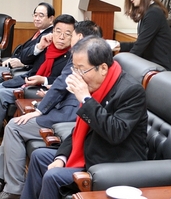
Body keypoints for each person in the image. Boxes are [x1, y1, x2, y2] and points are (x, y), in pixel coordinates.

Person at [20, 36, 148, 199]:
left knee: (54, 177)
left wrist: (86, 100)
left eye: (82, 70)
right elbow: (79, 130)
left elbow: (115, 133)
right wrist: (62, 157)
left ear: (102, 68)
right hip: (90, 150)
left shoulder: (131, 91)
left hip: (111, 164)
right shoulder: (98, 83)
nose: (77, 76)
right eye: (75, 69)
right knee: (39, 157)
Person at [0, 20, 102, 199]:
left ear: (84, 39)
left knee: (14, 127)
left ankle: (14, 189)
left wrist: (40, 110)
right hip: (63, 108)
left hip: (68, 115)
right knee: (15, 127)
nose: (69, 42)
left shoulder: (85, 58)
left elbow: (61, 84)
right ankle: (5, 180)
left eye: (72, 36)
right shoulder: (83, 55)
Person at [0, 14, 75, 131]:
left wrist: (43, 80)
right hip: (26, 81)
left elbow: (64, 82)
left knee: (1, 93)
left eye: (67, 34)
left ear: (74, 36)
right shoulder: (48, 45)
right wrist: (40, 46)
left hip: (41, 90)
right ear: (52, 31)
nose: (61, 37)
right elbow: (24, 59)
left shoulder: (72, 56)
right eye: (58, 32)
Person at [117, 0, 171, 72]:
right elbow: (141, 43)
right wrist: (119, 45)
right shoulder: (149, 11)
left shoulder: (154, 13)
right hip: (156, 66)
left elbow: (139, 47)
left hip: (166, 70)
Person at [0, 2, 55, 80]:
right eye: (35, 15)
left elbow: (42, 62)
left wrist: (23, 64)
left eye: (41, 16)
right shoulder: (40, 32)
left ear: (51, 19)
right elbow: (23, 49)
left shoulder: (48, 37)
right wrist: (12, 59)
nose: (37, 18)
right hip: (15, 64)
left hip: (28, 73)